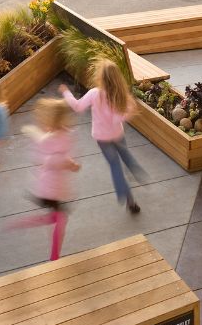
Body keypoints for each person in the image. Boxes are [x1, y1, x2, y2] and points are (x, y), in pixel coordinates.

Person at [59, 60, 141, 214]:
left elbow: (77, 107)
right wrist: (122, 115)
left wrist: (66, 92)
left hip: (102, 138)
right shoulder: (120, 94)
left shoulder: (94, 93)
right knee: (125, 154)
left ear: (100, 78)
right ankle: (137, 171)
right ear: (117, 78)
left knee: (115, 166)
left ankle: (129, 200)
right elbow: (127, 112)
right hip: (117, 134)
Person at [9, 98, 80, 261]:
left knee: (59, 217)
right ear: (60, 120)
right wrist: (71, 164)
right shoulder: (55, 138)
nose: (70, 119)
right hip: (51, 191)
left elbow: (45, 153)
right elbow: (52, 160)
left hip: (53, 188)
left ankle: (38, 223)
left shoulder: (58, 135)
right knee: (60, 219)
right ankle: (54, 256)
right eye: (66, 117)